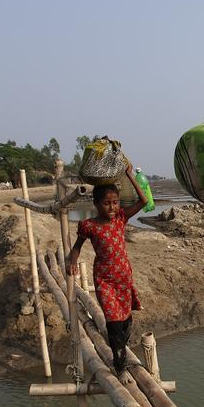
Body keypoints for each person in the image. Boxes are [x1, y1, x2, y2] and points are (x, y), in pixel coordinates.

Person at [66, 161, 148, 375]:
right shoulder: (89, 226)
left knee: (126, 321)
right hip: (104, 279)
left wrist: (130, 175)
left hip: (123, 277)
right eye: (106, 203)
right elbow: (76, 247)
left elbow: (144, 200)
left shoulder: (121, 218)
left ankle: (121, 351)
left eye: (115, 202)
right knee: (113, 321)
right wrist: (72, 261)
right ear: (96, 204)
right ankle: (119, 363)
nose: (112, 207)